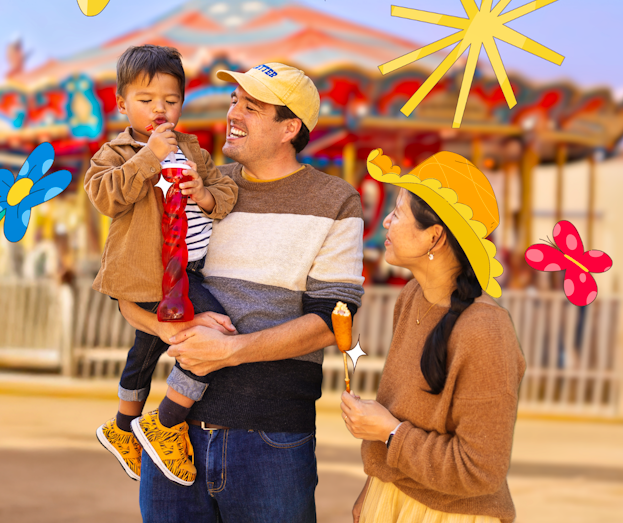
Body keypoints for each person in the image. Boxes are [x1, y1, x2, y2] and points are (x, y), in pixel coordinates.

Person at [122, 62, 365, 522]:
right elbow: (130, 287)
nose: (233, 111)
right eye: (234, 100)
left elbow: (332, 323)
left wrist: (228, 350)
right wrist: (170, 326)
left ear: (289, 127)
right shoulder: (200, 183)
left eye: (251, 106)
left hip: (270, 437)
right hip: (176, 432)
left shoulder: (334, 201)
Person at [340, 150, 525, 523]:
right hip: (390, 497)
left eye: (398, 212)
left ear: (435, 237)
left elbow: (481, 470)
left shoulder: (486, 331)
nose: (386, 221)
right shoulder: (410, 297)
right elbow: (400, 407)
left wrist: (389, 432)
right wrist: (373, 486)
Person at [87, 45, 239, 486]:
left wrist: (204, 193)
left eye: (170, 102)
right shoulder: (115, 153)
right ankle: (167, 421)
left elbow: (223, 193)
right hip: (150, 273)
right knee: (213, 332)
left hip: (189, 268)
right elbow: (105, 195)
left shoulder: (192, 149)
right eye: (146, 100)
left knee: (146, 349)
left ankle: (122, 426)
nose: (160, 110)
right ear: (122, 104)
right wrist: (149, 155)